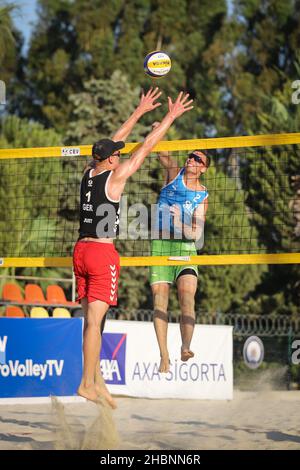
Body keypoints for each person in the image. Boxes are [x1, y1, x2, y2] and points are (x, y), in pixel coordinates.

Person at [73, 89, 193, 405]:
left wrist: (139, 111)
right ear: (111, 159)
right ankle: (87, 383)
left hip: (80, 252)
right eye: (117, 154)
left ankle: (96, 381)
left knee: (90, 324)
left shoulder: (90, 172)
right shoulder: (117, 177)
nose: (120, 155)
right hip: (100, 254)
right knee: (95, 324)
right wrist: (170, 116)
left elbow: (117, 139)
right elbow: (146, 148)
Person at [150, 136, 210, 373]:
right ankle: (164, 356)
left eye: (197, 158)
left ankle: (185, 346)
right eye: (190, 156)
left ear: (203, 168)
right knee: (160, 302)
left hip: (185, 247)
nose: (191, 159)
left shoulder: (202, 196)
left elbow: (196, 234)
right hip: (161, 245)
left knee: (187, 297)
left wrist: (180, 222)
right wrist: (158, 128)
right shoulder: (174, 172)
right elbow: (159, 151)